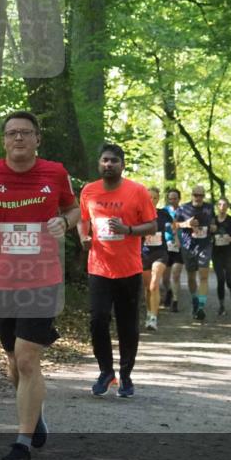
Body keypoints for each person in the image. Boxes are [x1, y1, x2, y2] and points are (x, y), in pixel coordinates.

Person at [0, 111, 78, 460]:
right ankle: (34, 416)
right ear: (4, 140)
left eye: (26, 133)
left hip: (42, 278)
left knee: (27, 358)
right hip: (2, 278)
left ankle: (21, 446)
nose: (19, 139)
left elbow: (73, 209)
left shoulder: (55, 173)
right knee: (12, 361)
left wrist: (64, 222)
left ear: (38, 139)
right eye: (12, 133)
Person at [78, 144, 157, 398]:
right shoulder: (89, 191)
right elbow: (83, 220)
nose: (108, 165)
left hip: (128, 269)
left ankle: (126, 374)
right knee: (97, 319)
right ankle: (105, 372)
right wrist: (83, 237)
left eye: (113, 161)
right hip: (99, 268)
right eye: (104, 160)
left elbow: (153, 225)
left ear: (122, 164)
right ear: (99, 164)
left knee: (127, 324)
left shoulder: (137, 191)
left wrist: (129, 231)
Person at [173, 184, 215, 322]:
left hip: (205, 245)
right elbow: (174, 225)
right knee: (191, 277)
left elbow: (213, 222)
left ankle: (201, 307)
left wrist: (213, 227)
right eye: (196, 195)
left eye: (201, 195)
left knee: (203, 276)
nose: (198, 197)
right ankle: (194, 299)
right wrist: (186, 224)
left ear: (204, 196)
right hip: (188, 245)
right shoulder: (183, 208)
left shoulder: (209, 208)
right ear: (192, 195)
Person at [140, 187, 173, 332]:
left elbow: (175, 225)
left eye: (154, 198)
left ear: (158, 199)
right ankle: (149, 313)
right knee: (148, 288)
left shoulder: (164, 214)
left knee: (154, 285)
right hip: (144, 254)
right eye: (149, 197)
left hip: (160, 253)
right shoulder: (138, 214)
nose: (151, 200)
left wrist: (186, 225)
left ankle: (154, 318)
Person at [211, 197, 231, 316]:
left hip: (229, 253)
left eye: (224, 205)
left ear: (228, 207)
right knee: (220, 279)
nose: (222, 207)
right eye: (219, 205)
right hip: (216, 254)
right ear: (216, 206)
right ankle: (222, 305)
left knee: (229, 279)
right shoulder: (212, 221)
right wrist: (210, 232)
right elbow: (205, 234)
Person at [162, 188, 183, 313]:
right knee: (165, 278)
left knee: (175, 274)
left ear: (179, 199)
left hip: (179, 247)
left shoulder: (184, 211)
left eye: (175, 198)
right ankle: (169, 290)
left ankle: (175, 301)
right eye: (170, 198)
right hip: (166, 246)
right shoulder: (164, 211)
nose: (173, 200)